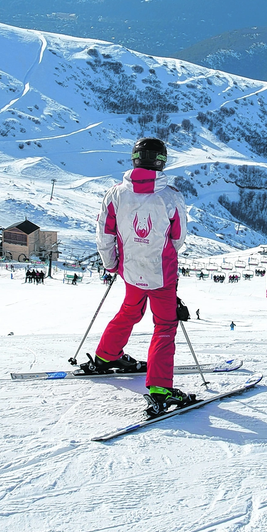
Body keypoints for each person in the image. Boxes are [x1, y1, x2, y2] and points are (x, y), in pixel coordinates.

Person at [82, 137, 193, 417]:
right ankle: (159, 389)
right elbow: (178, 236)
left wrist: (112, 264)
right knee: (165, 325)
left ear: (134, 159)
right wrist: (163, 253)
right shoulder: (170, 196)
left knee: (130, 310)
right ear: (161, 162)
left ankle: (107, 355)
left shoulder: (115, 194)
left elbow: (104, 234)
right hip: (162, 273)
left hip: (130, 270)